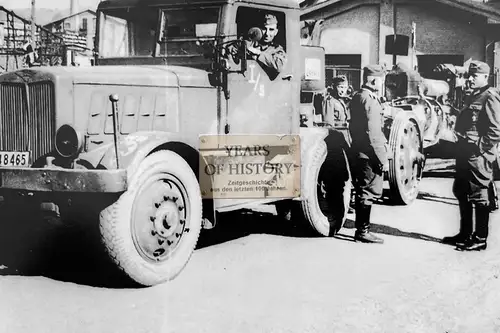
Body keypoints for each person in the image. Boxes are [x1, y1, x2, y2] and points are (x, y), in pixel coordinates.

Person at [443, 60, 500, 251]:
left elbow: (495, 130)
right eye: (470, 75)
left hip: (478, 155)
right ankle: (465, 233)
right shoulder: (472, 96)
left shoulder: (489, 96)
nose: (471, 79)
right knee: (461, 191)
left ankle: (480, 238)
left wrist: (478, 147)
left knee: (480, 196)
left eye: (475, 76)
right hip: (463, 152)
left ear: (486, 77)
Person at [348, 65, 388, 244]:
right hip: (369, 153)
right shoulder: (370, 100)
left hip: (359, 150)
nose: (382, 83)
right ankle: (362, 231)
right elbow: (373, 133)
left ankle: (362, 230)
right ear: (374, 80)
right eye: (381, 80)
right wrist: (382, 158)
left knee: (362, 189)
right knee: (367, 191)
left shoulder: (358, 96)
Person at [245, 13, 287, 80]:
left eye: (271, 30)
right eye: (264, 29)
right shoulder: (249, 43)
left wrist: (259, 53)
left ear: (276, 32)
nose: (267, 33)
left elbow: (279, 65)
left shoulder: (277, 49)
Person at [323, 75, 352, 144]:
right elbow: (328, 124)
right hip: (336, 137)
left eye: (345, 87)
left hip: (345, 135)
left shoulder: (341, 100)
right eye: (340, 87)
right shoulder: (329, 100)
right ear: (334, 87)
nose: (343, 90)